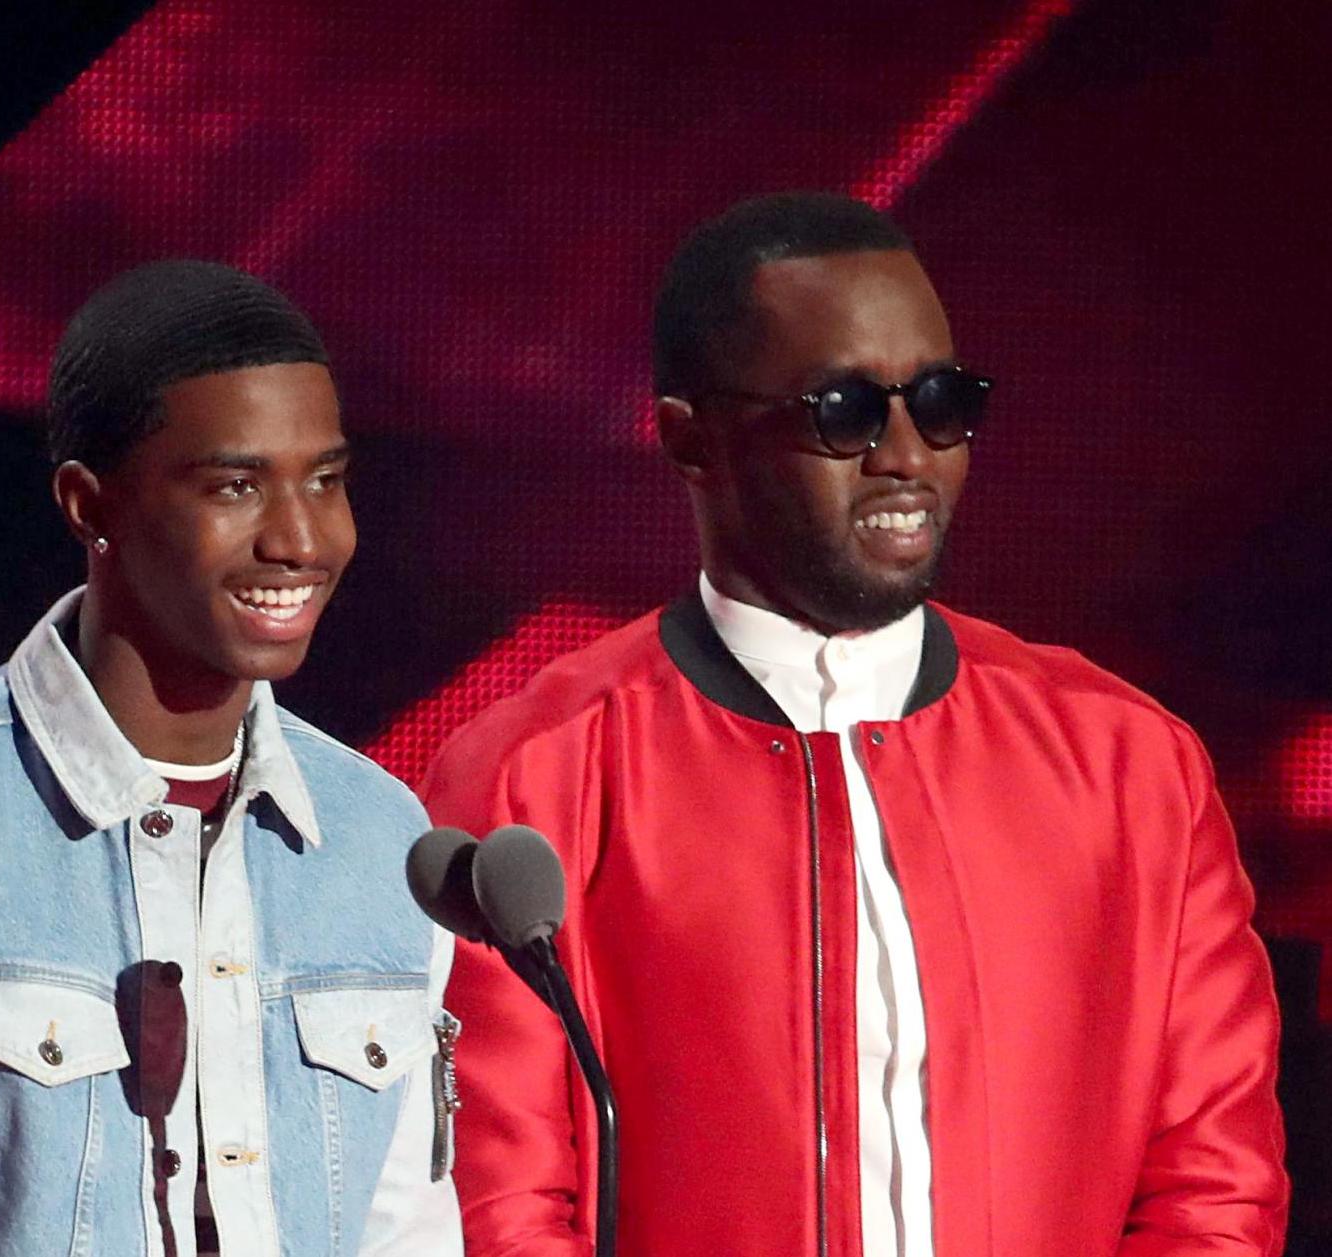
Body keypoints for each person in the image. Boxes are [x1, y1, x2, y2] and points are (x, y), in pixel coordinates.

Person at [422, 193, 1287, 1256]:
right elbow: (494, 1209)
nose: (904, 454)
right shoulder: (531, 775)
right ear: (690, 441)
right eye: (842, 411)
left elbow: (1213, 1181)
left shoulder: (1124, 760)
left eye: (938, 401)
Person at [0, 260, 463, 1256]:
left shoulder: (382, 837)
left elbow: (405, 1231)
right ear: (86, 505)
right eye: (235, 485)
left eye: (325, 480)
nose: (300, 538)